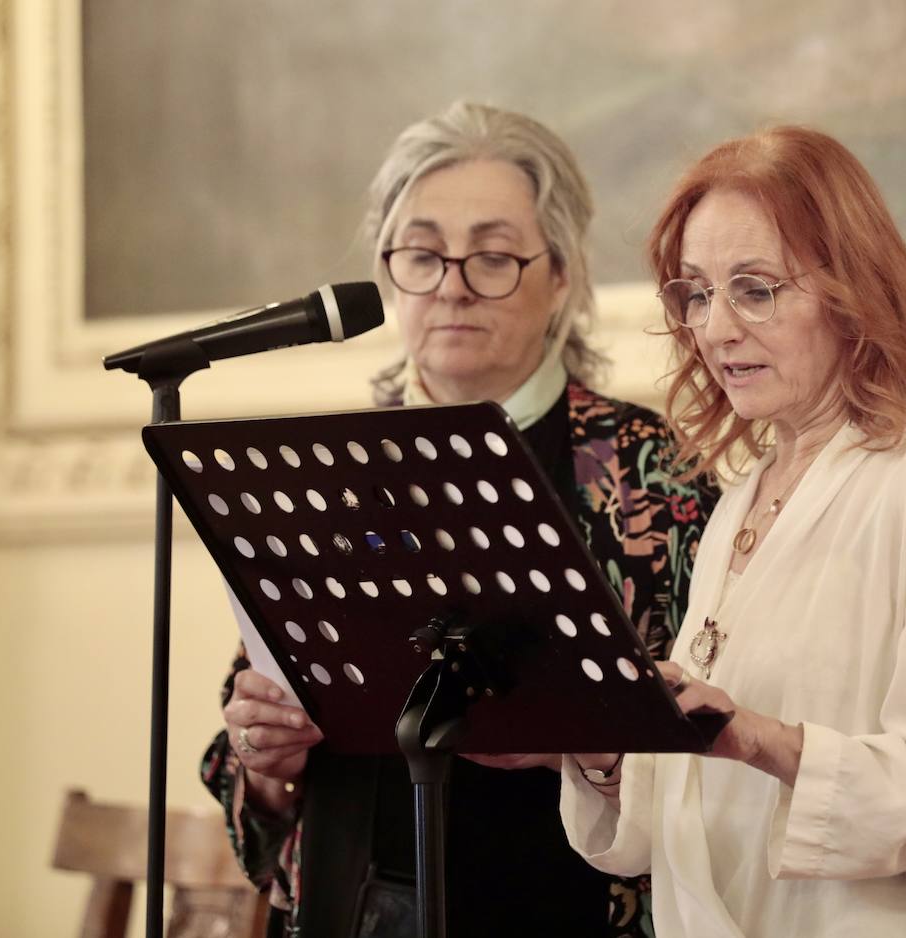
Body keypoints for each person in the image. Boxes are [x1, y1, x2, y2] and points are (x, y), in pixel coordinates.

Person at [200, 101, 716, 938]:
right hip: (362, 910)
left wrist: (574, 744)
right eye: (423, 255)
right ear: (387, 267)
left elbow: (718, 730)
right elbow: (253, 783)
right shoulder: (328, 475)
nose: (452, 285)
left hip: (578, 909)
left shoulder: (651, 467)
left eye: (493, 257)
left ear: (560, 277)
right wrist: (267, 761)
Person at [562, 126, 906, 937]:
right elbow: (694, 802)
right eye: (697, 293)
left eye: (755, 289)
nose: (715, 330)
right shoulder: (745, 494)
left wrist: (761, 740)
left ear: (853, 291)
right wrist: (603, 747)